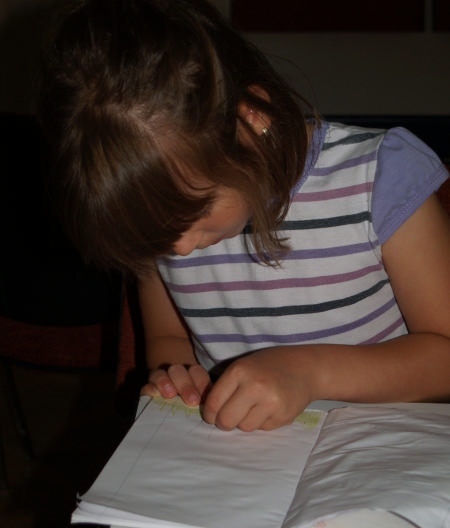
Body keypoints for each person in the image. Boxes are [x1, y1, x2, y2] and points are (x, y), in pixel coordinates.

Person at [39, 0, 450, 432]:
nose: (179, 247)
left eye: (197, 209)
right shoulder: (159, 219)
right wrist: (179, 379)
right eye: (154, 234)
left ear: (252, 121)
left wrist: (311, 373)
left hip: (383, 445)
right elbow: (170, 341)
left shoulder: (382, 177)